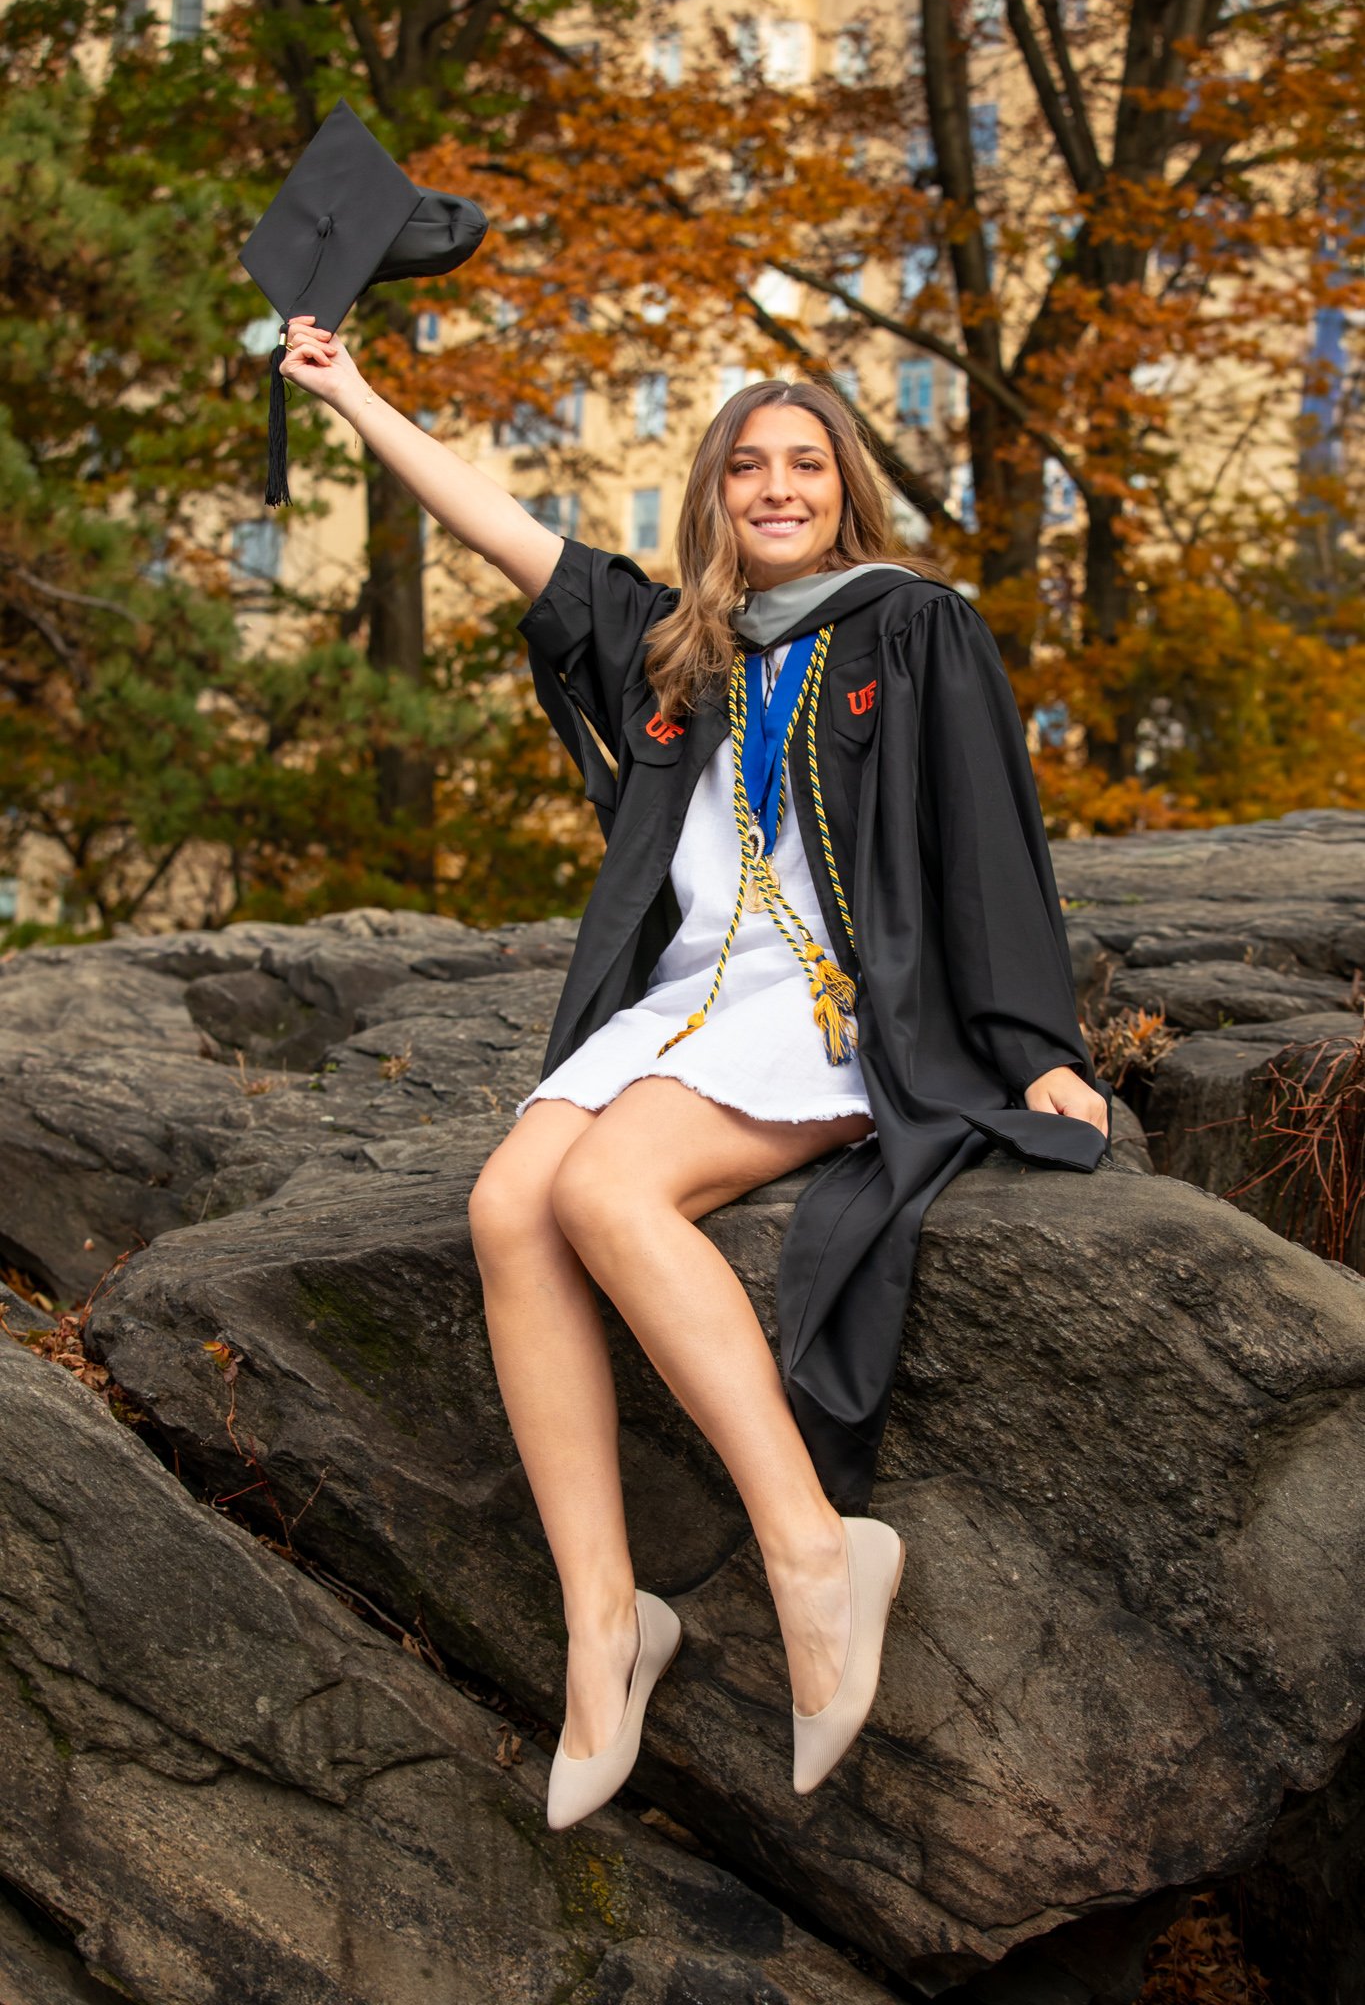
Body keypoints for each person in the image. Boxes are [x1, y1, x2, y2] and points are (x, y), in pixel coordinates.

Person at [279, 316, 1113, 1831]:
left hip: (833, 1005)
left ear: (846, 489)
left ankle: (814, 1548)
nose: (777, 487)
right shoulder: (675, 641)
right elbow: (501, 530)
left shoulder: (914, 625)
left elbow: (991, 838)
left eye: (806, 465)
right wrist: (354, 395)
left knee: (606, 1192)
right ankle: (608, 1621)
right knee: (508, 1206)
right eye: (748, 467)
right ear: (714, 492)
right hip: (681, 1008)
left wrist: (1040, 1049)